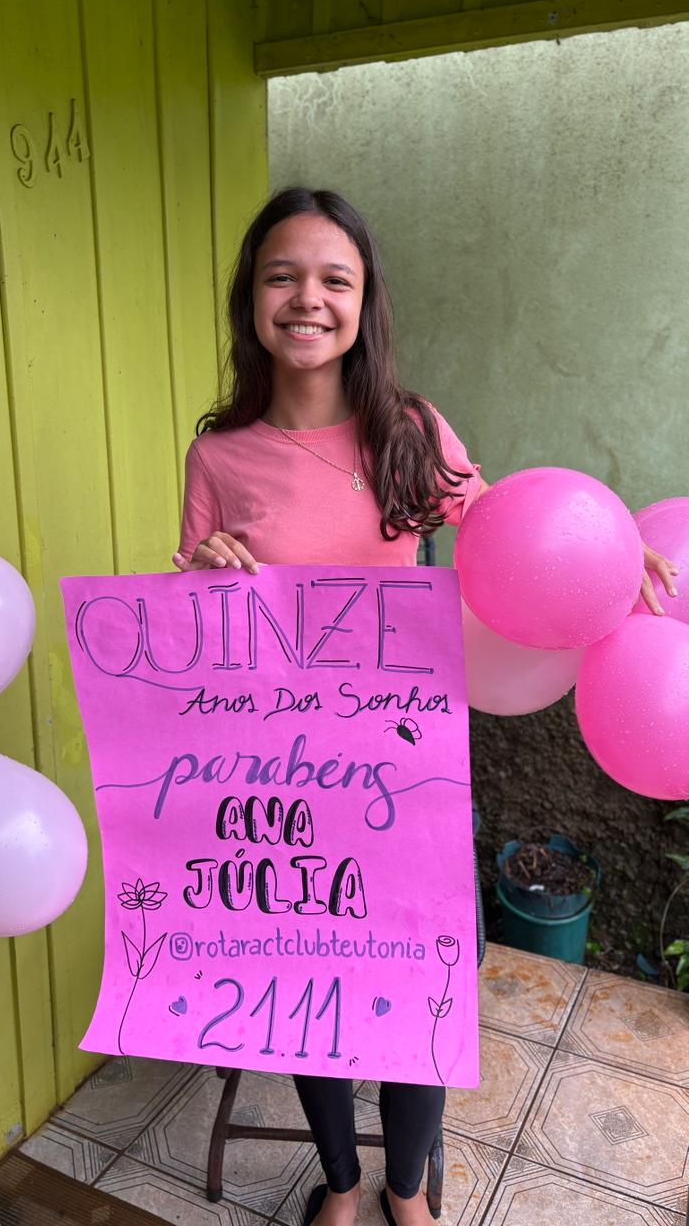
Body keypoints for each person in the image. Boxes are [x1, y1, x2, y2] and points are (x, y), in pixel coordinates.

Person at [173, 186, 677, 1226]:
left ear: (364, 302)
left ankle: (407, 1192)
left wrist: (606, 561)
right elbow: (189, 632)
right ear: (250, 297)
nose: (307, 299)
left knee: (417, 986)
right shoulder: (217, 456)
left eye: (334, 279)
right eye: (281, 276)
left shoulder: (407, 429)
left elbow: (511, 539)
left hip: (405, 769)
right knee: (307, 989)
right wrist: (207, 575)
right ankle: (342, 1184)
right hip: (281, 779)